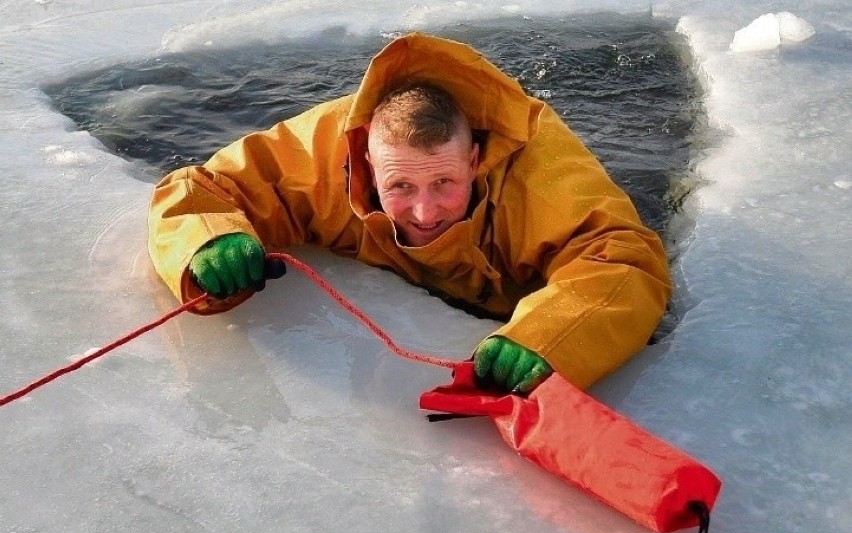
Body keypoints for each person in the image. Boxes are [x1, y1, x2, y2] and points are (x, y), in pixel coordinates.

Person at [148, 33, 672, 394]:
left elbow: (623, 260)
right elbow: (202, 190)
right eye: (399, 185)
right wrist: (208, 242)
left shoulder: (539, 172)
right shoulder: (327, 151)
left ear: (474, 160)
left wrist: (546, 341)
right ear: (367, 162)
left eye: (445, 182)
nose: (424, 211)